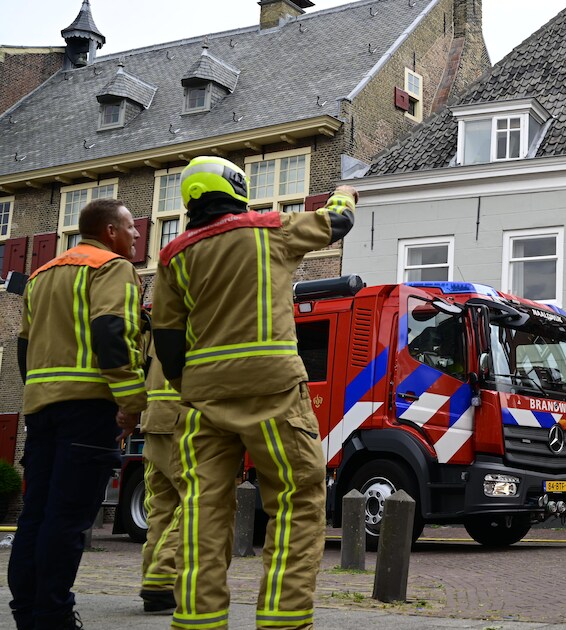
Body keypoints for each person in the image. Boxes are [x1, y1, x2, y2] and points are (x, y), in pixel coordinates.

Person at [152, 156, 355, 630]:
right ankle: (282, 620)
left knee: (202, 508)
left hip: (203, 398)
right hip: (273, 389)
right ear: (239, 190)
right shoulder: (270, 228)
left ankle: (198, 621)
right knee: (296, 497)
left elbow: (166, 338)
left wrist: (191, 389)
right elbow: (337, 221)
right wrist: (346, 193)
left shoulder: (173, 256)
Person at [9, 198, 145, 630]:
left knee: (37, 514)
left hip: (43, 410)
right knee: (68, 519)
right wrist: (130, 403)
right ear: (109, 232)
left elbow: (24, 346)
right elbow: (112, 333)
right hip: (88, 409)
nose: (137, 235)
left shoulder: (41, 274)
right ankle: (53, 615)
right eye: (130, 227)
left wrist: (36, 393)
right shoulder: (111, 268)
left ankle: (27, 611)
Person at [138, 333, 185, 614]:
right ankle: (162, 578)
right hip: (182, 417)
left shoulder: (162, 317)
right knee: (197, 502)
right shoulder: (199, 307)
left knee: (161, 509)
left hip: (154, 417)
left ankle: (153, 587)